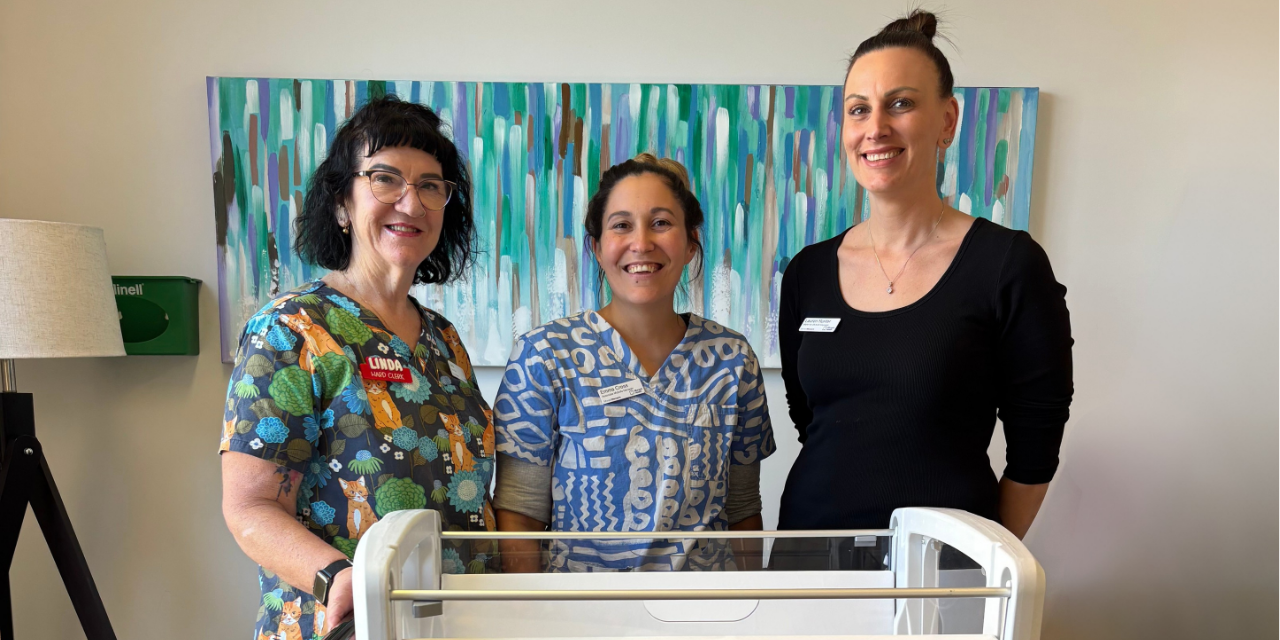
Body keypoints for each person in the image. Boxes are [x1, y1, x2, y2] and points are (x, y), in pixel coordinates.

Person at [773, 10, 1073, 568]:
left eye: (901, 103)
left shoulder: (1008, 265)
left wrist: (975, 558)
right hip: (806, 564)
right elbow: (809, 419)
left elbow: (1035, 452)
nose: (875, 127)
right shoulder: (808, 272)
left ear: (947, 121)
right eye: (858, 109)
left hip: (939, 575)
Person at [220, 95, 496, 638]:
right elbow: (250, 508)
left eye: (430, 185)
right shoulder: (292, 328)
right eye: (385, 178)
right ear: (342, 202)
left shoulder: (444, 339)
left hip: (451, 624)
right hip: (347, 624)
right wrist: (340, 579)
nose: (411, 203)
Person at [492, 153, 775, 572]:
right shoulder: (545, 356)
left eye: (661, 223)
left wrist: (753, 610)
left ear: (690, 241)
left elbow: (743, 508)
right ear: (597, 246)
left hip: (705, 616)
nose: (641, 243)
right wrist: (533, 617)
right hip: (580, 620)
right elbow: (519, 510)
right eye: (621, 225)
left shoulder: (732, 360)